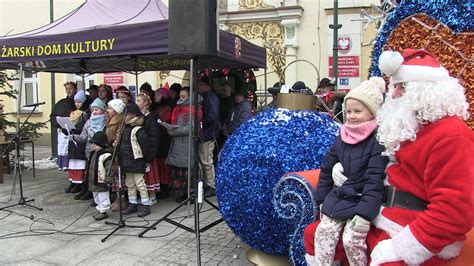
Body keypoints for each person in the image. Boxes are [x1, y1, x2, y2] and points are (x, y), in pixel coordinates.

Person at [305, 49, 474, 265]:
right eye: (394, 86)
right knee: (313, 235)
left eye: (401, 86)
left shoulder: (451, 135)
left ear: (428, 90)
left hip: (412, 226)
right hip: (376, 211)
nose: (393, 94)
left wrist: (400, 247)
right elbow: (371, 161)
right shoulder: (405, 125)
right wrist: (343, 167)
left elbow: (454, 211)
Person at [305, 77, 388, 265]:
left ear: (372, 113)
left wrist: (365, 215)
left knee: (352, 240)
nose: (351, 116)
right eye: (348, 111)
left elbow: (374, 181)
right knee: (323, 232)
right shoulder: (343, 136)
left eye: (357, 111)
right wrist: (322, 201)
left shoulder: (376, 142)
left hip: (361, 200)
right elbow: (326, 170)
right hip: (340, 196)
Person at [166, 87, 202, 203]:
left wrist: (174, 131)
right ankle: (182, 193)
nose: (180, 99)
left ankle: (191, 193)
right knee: (179, 171)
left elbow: (191, 128)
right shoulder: (180, 109)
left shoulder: (193, 110)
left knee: (187, 171)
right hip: (179, 143)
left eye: (183, 97)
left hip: (187, 144)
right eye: (180, 96)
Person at [70, 98, 108, 200]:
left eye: (97, 109)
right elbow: (83, 137)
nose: (95, 112)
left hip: (102, 152)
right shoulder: (88, 123)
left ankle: (101, 196)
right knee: (90, 174)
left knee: (100, 175)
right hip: (89, 153)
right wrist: (73, 137)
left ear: (103, 110)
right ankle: (90, 193)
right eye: (93, 110)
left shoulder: (106, 122)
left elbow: (109, 137)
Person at [119, 104, 151, 217]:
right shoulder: (125, 128)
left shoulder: (139, 130)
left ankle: (145, 204)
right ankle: (132, 203)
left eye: (126, 114)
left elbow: (145, 147)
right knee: (130, 184)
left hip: (137, 161)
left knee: (140, 183)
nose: (124, 116)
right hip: (126, 161)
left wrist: (146, 159)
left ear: (133, 115)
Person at [136, 94, 162, 205]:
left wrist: (150, 151)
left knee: (150, 173)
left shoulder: (151, 117)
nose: (137, 103)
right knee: (142, 174)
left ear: (146, 103)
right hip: (139, 149)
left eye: (139, 101)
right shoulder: (137, 116)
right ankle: (144, 195)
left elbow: (154, 136)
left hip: (148, 149)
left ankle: (152, 195)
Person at [197, 77, 220, 197]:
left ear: (205, 85)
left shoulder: (210, 97)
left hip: (208, 134)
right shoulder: (207, 97)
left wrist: (201, 122)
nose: (198, 87)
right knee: (204, 160)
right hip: (205, 133)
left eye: (200, 84)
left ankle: (211, 185)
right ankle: (207, 183)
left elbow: (212, 116)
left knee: (206, 160)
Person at [64, 90, 89, 197]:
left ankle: (80, 185)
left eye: (79, 102)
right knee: (73, 165)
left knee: (80, 166)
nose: (77, 104)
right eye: (76, 102)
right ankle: (73, 183)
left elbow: (84, 129)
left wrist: (75, 130)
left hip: (80, 142)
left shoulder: (85, 114)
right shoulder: (73, 113)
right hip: (72, 141)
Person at [87, 131, 115, 221]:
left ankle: (103, 211)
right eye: (93, 145)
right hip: (93, 180)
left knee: (103, 196)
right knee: (96, 197)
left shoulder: (106, 155)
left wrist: (108, 179)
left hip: (102, 181)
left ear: (102, 144)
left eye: (95, 145)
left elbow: (109, 169)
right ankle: (99, 209)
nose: (93, 147)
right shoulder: (93, 154)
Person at [105, 99, 127, 211]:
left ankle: (122, 200)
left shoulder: (120, 121)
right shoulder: (110, 120)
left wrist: (114, 143)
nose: (107, 110)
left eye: (110, 108)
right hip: (111, 150)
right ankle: (117, 198)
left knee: (119, 177)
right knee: (115, 177)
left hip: (118, 152)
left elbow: (119, 136)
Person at [50, 81, 77, 171]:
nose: (69, 91)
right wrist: (58, 122)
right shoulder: (61, 102)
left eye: (71, 88)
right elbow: (53, 115)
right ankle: (63, 164)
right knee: (62, 146)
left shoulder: (79, 102)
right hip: (63, 130)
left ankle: (70, 164)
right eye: (67, 89)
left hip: (75, 130)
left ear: (75, 89)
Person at [153, 87, 174, 199]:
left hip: (165, 139)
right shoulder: (157, 108)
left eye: (157, 95)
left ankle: (165, 187)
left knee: (164, 164)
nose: (155, 97)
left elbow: (165, 122)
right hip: (158, 139)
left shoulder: (167, 109)